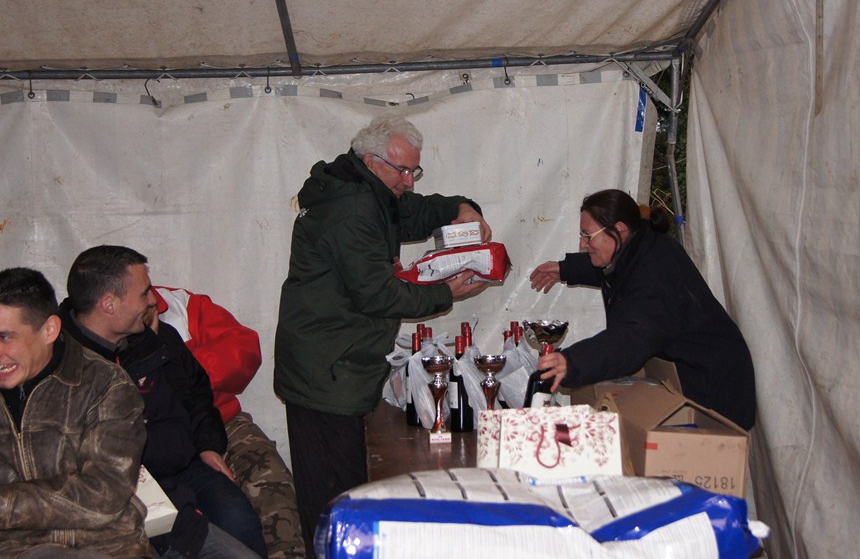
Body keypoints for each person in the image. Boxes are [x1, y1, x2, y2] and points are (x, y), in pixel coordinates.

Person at [274, 115, 493, 556]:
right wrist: (443, 293)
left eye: (416, 170)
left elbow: (415, 212)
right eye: (403, 171)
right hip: (326, 372)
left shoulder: (369, 192)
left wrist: (461, 207)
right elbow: (377, 294)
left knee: (347, 486)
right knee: (335, 498)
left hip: (339, 364)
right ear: (372, 161)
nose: (410, 182)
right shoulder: (352, 210)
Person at [58, 246, 266, 558]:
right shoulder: (62, 363)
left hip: (185, 465)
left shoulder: (156, 338)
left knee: (239, 518)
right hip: (127, 487)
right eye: (144, 293)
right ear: (109, 304)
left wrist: (207, 444)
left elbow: (197, 393)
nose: (154, 300)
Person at [529, 189, 757, 430]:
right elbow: (617, 269)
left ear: (619, 229)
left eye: (588, 236)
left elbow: (632, 337)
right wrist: (565, 268)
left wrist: (573, 362)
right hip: (692, 378)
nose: (582, 245)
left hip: (716, 389)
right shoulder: (640, 246)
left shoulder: (657, 275)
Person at [0, 267, 149, 558]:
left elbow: (104, 495)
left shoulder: (105, 385)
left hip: (105, 546)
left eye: (5, 337)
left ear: (49, 331)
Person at [153, 285, 304, 559]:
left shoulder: (183, 305)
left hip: (223, 420)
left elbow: (244, 350)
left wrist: (183, 366)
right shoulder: (102, 328)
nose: (147, 303)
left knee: (272, 480)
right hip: (156, 442)